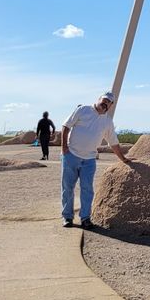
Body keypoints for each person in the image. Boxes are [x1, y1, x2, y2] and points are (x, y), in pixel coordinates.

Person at [60, 91, 131, 229]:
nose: (105, 104)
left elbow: (113, 142)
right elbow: (66, 126)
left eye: (109, 102)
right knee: (67, 188)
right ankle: (67, 217)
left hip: (89, 160)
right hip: (71, 155)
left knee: (87, 189)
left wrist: (123, 159)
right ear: (98, 99)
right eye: (104, 100)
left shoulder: (107, 122)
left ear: (111, 106)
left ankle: (85, 218)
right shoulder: (83, 110)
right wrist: (64, 149)